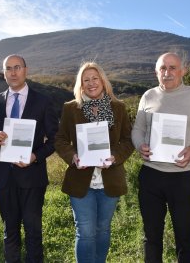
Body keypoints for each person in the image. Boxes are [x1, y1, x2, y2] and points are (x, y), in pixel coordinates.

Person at [131, 52, 190, 262]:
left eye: (172, 68)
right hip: (151, 176)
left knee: (184, 235)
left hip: (183, 177)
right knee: (151, 236)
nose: (167, 73)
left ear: (182, 71)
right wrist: (139, 145)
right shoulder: (148, 96)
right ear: (156, 72)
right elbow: (137, 129)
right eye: (163, 68)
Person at [0, 54, 58, 262]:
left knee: (33, 232)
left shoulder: (43, 101)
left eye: (17, 67)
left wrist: (35, 156)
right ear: (4, 73)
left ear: (26, 70)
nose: (13, 72)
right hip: (4, 178)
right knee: (10, 231)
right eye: (8, 69)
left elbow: (55, 139)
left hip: (32, 176)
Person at [54, 61, 134, 262]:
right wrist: (72, 156)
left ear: (103, 81)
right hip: (81, 181)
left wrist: (115, 156)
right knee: (86, 232)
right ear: (81, 85)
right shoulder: (71, 108)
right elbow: (61, 139)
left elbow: (128, 139)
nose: (91, 83)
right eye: (86, 80)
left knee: (103, 230)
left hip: (110, 180)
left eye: (94, 78)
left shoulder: (119, 107)